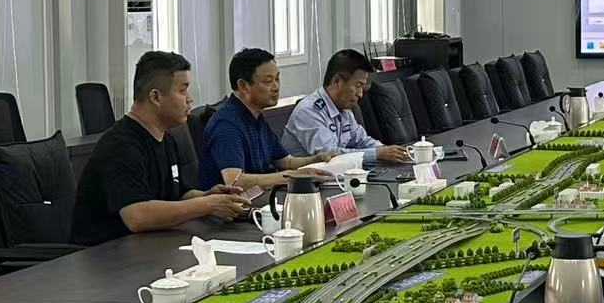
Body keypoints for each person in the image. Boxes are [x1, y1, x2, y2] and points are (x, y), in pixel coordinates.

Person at [69, 51, 250, 245]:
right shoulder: (120, 145)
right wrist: (206, 205)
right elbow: (137, 216)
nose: (190, 99)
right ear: (156, 97)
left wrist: (210, 196)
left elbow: (178, 194)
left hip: (147, 245)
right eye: (182, 91)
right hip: (104, 253)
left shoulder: (166, 138)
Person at [198, 47, 332, 191]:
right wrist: (291, 176)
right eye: (268, 81)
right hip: (231, 203)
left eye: (277, 79)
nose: (276, 87)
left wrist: (316, 159)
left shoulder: (257, 117)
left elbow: (285, 162)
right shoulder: (226, 125)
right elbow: (235, 181)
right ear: (243, 86)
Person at [282, 48, 409, 166]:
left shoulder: (344, 108)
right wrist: (376, 154)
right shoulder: (309, 111)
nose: (360, 94)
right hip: (305, 181)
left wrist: (385, 150)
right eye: (358, 86)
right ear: (336, 81)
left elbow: (362, 141)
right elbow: (330, 156)